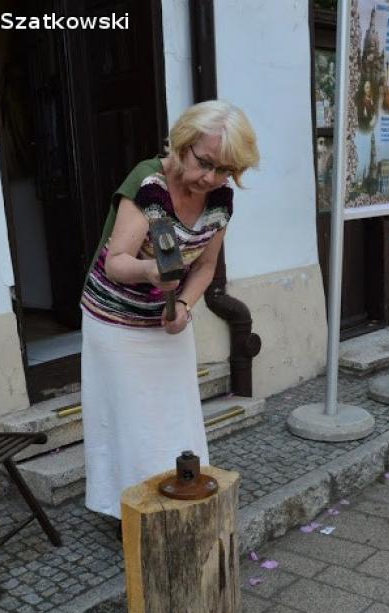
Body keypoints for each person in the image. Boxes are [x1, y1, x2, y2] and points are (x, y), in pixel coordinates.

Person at [80, 100, 260, 522]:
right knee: (129, 423)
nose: (211, 178)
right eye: (205, 163)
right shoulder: (148, 183)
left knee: (174, 416)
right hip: (115, 320)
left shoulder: (218, 199)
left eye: (225, 170)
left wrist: (181, 305)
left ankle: (177, 501)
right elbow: (117, 261)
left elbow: (206, 266)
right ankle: (129, 512)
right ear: (184, 141)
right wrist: (151, 271)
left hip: (165, 322)